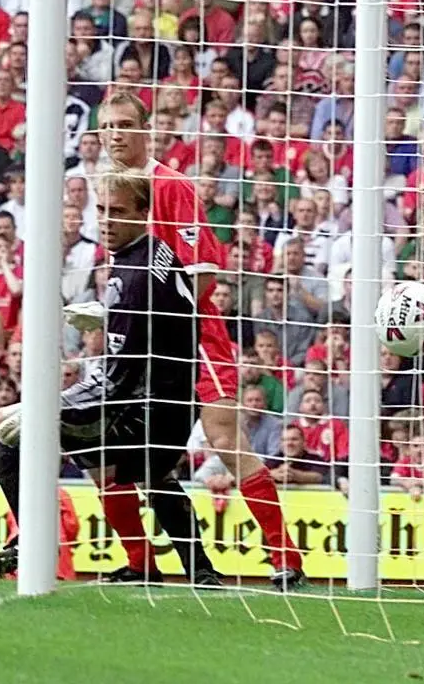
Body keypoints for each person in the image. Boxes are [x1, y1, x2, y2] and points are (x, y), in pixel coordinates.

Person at [98, 92, 304, 590]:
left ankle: (286, 557)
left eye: (126, 124)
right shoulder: (106, 187)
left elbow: (205, 274)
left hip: (195, 337)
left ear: (147, 129)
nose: (115, 134)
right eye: (106, 126)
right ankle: (141, 560)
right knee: (110, 447)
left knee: (226, 439)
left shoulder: (171, 185)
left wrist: (157, 315)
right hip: (141, 340)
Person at [0, 171, 221, 586]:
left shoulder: (133, 274)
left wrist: (62, 399)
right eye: (103, 210)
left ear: (145, 213)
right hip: (172, 406)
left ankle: (32, 539)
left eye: (119, 212)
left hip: (137, 410)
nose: (107, 221)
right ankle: (195, 571)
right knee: (135, 473)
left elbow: (119, 378)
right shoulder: (154, 253)